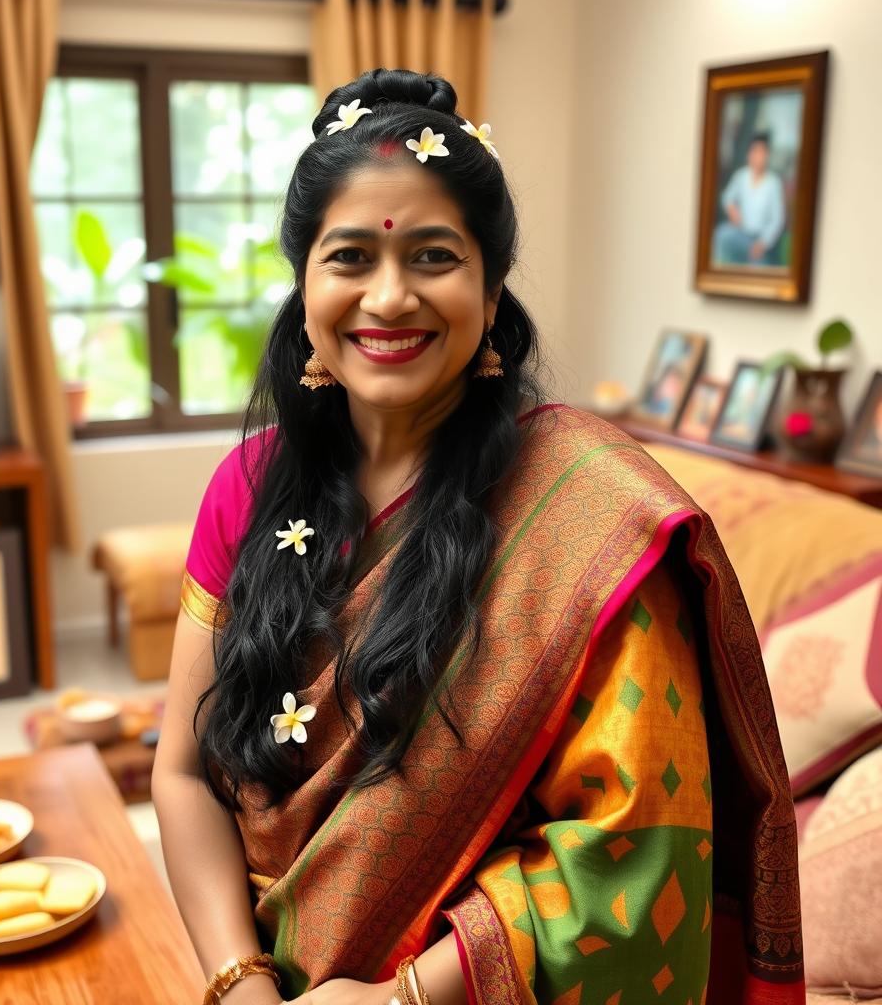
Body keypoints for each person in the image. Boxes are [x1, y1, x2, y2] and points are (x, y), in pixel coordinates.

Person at [153, 69, 803, 1005]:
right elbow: (180, 771)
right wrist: (243, 981)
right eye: (350, 258)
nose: (388, 298)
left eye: (432, 257)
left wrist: (400, 998)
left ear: (492, 293)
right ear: (304, 288)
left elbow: (634, 839)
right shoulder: (248, 487)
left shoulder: (585, 513)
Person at [713, 131, 786, 267]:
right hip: (741, 233)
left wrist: (763, 243)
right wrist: (731, 208)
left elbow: (778, 220)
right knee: (721, 235)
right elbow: (727, 197)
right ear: (750, 154)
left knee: (758, 266)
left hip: (761, 239)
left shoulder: (773, 183)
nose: (759, 157)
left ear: (767, 155)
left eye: (762, 152)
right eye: (756, 152)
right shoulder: (741, 176)